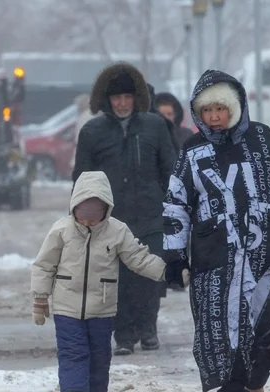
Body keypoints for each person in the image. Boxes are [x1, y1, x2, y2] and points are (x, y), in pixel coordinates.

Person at [162, 70, 270, 392]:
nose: (215, 117)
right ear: (198, 114)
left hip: (268, 253)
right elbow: (176, 204)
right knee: (220, 327)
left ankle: (256, 384)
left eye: (221, 108)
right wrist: (174, 256)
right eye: (207, 111)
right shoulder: (192, 151)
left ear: (236, 107)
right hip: (214, 257)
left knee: (265, 326)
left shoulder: (263, 140)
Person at [30, 170, 173, 392]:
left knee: (100, 357)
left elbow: (138, 259)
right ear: (74, 209)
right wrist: (40, 299)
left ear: (106, 211)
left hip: (102, 310)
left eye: (94, 219)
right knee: (73, 353)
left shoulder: (117, 232)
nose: (87, 224)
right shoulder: (61, 230)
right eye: (83, 218)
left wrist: (169, 273)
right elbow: (44, 265)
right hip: (66, 308)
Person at [73, 62, 177, 356]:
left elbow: (169, 168)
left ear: (136, 98)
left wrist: (175, 207)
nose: (121, 103)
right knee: (117, 279)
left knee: (150, 274)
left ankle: (148, 328)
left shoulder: (155, 127)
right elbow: (82, 176)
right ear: (107, 100)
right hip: (111, 219)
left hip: (151, 213)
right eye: (116, 98)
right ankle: (124, 335)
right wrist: (81, 215)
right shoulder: (93, 132)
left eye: (127, 97)